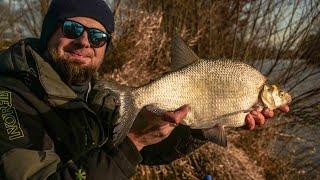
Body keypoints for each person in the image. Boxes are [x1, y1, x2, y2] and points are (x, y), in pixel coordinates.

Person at [0, 0, 289, 179]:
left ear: (105, 47)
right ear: (49, 32)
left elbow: (147, 154)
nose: (85, 42)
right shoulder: (10, 98)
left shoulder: (94, 95)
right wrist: (134, 140)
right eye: (73, 29)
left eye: (98, 36)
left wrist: (203, 127)